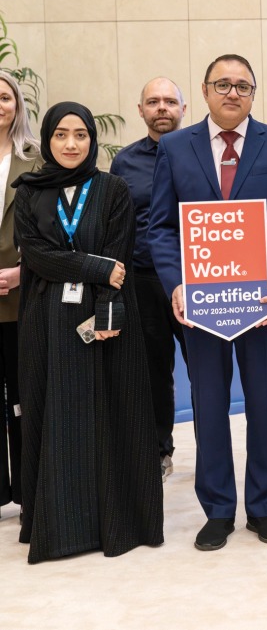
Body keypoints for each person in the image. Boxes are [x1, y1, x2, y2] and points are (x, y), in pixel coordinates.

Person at [148, 54, 267, 551]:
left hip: (261, 304)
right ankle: (217, 510)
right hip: (200, 305)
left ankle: (263, 508)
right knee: (209, 405)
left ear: (254, 94)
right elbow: (161, 227)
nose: (232, 93)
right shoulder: (176, 147)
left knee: (262, 404)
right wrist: (176, 283)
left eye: (242, 85)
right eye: (223, 85)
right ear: (206, 91)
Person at [14, 102, 163, 562]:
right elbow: (35, 254)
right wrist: (92, 265)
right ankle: (60, 525)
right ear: (48, 139)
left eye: (80, 134)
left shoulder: (112, 188)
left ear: (92, 140)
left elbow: (122, 253)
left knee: (111, 414)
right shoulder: (30, 191)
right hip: (45, 320)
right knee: (53, 414)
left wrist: (108, 316)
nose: (72, 144)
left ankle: (114, 522)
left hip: (103, 319)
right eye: (61, 135)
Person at [110, 77, 189, 482]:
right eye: (153, 102)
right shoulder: (124, 162)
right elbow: (115, 224)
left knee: (206, 365)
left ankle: (214, 446)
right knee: (154, 369)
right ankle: (160, 449)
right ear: (141, 111)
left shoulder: (199, 153)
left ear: (183, 109)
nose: (162, 108)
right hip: (143, 279)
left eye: (170, 101)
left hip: (196, 281)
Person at [0, 71, 40, 509]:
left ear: (17, 105)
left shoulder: (35, 161)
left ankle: (29, 490)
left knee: (25, 396)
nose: (0, 104)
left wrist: (22, 272)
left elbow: (51, 230)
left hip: (23, 295)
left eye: (6, 97)